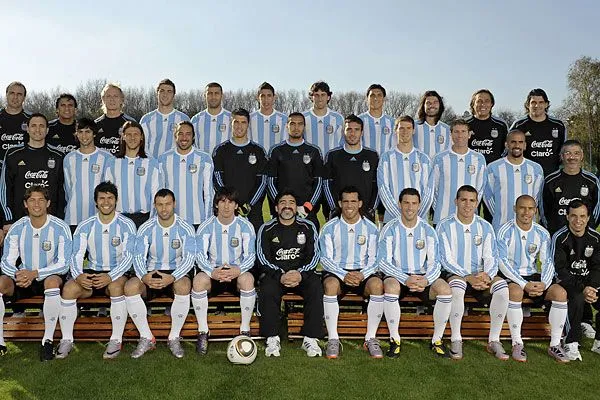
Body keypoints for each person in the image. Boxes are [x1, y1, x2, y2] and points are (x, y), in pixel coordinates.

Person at [56, 182, 136, 360]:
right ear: (96, 202)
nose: (106, 202)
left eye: (110, 198)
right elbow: (75, 255)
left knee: (116, 288)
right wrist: (78, 275)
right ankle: (66, 339)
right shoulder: (86, 225)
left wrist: (110, 276)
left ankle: (116, 339)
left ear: (116, 201)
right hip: (92, 272)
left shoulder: (127, 224)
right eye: (102, 198)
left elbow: (129, 257)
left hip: (116, 272)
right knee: (69, 289)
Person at [378, 188, 453, 358]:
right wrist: (405, 279)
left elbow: (436, 262)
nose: (410, 207)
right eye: (406, 203)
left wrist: (426, 280)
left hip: (422, 278)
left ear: (419, 205)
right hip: (398, 277)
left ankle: (437, 340)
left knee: (445, 290)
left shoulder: (428, 230)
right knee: (389, 286)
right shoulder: (390, 228)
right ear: (399, 204)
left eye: (414, 203)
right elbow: (383, 262)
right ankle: (394, 339)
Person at [437, 185, 509, 360]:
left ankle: (494, 340)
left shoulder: (485, 226)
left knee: (502, 288)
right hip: (456, 274)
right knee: (457, 286)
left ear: (477, 203)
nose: (467, 205)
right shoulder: (444, 225)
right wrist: (468, 277)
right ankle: (456, 338)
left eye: (472, 200)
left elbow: (491, 256)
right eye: (463, 200)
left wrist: (488, 275)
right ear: (456, 201)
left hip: (480, 276)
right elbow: (445, 259)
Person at [0, 185, 72, 360]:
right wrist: (20, 275)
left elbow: (64, 264)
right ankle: (0, 342)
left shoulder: (60, 227)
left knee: (53, 282)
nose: (36, 204)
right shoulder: (18, 227)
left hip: (49, 276)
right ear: (25, 204)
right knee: (1, 283)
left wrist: (35, 273)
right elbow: (6, 261)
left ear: (48, 203)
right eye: (32, 200)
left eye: (41, 200)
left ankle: (47, 341)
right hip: (23, 278)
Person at [497, 195, 569, 362]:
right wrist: (524, 284)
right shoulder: (504, 230)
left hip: (535, 277)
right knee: (514, 291)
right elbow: (502, 263)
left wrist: (544, 283)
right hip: (513, 276)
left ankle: (555, 344)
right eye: (522, 208)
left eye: (530, 208)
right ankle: (517, 343)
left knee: (560, 293)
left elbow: (547, 261)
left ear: (535, 211)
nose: (526, 212)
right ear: (515, 209)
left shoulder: (541, 233)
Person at [126, 188, 196, 359]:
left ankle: (173, 337)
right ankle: (147, 337)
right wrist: (144, 276)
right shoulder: (146, 228)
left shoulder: (185, 227)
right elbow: (138, 256)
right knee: (130, 287)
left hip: (175, 273)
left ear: (174, 205)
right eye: (160, 205)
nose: (164, 209)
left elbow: (190, 258)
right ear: (155, 206)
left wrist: (172, 277)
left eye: (168, 204)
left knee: (184, 285)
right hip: (152, 272)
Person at [257, 189, 322, 357]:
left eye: (291, 203)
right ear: (276, 208)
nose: (287, 206)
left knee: (315, 286)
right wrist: (281, 275)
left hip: (301, 275)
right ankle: (272, 338)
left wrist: (300, 274)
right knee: (267, 288)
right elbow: (262, 258)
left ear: (296, 207)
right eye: (283, 203)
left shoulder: (308, 227)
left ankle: (311, 338)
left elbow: (314, 256)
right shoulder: (266, 228)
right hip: (277, 275)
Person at [320, 186, 382, 358]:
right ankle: (333, 339)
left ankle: (370, 338)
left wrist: (362, 274)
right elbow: (325, 259)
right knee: (330, 285)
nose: (349, 205)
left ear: (360, 203)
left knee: (377, 285)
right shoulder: (329, 228)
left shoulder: (371, 229)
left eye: (353, 201)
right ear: (340, 203)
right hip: (338, 272)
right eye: (345, 201)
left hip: (363, 273)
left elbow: (376, 259)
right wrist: (343, 275)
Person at [193, 187, 256, 355]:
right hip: (215, 273)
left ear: (236, 205)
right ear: (216, 204)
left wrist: (238, 270)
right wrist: (212, 271)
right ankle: (203, 331)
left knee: (248, 279)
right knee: (198, 281)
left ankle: (245, 330)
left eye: (230, 202)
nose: (226, 206)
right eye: (222, 201)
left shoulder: (245, 226)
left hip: (236, 273)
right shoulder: (206, 226)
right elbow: (199, 256)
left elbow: (251, 256)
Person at [551, 200, 600, 361]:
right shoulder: (560, 237)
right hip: (567, 282)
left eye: (582, 216)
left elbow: (597, 267)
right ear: (567, 216)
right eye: (573, 216)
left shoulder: (595, 238)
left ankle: (598, 341)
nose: (578, 220)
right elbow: (560, 269)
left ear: (588, 217)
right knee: (577, 297)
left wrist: (592, 286)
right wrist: (582, 288)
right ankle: (571, 341)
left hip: (589, 283)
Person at [0, 113, 65, 232]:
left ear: (47, 130)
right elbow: (4, 190)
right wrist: (8, 220)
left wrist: (60, 219)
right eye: (34, 126)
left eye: (41, 126)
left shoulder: (58, 156)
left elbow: (63, 191)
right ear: (28, 129)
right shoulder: (13, 154)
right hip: (18, 222)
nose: (38, 129)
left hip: (50, 223)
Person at [212, 108, 268, 233]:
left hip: (252, 211)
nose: (239, 126)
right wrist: (230, 203)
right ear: (231, 124)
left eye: (243, 122)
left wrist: (248, 204)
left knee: (253, 247)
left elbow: (262, 182)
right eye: (236, 122)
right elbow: (217, 179)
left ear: (248, 125)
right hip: (228, 210)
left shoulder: (258, 150)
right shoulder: (221, 150)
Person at [267, 113, 323, 230]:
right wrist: (281, 204)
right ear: (287, 126)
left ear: (304, 127)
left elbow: (319, 183)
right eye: (292, 124)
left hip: (307, 211)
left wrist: (307, 206)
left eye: (300, 124)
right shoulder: (276, 151)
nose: (296, 128)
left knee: (309, 246)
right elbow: (271, 182)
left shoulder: (314, 151)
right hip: (284, 210)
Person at [484, 130, 544, 231]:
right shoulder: (493, 168)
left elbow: (536, 198)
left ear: (525, 145)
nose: (517, 145)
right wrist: (500, 214)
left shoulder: (536, 169)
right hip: (501, 226)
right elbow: (487, 196)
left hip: (527, 227)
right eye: (513, 142)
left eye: (520, 142)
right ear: (506, 145)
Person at [105, 121, 161, 228]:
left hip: (144, 219)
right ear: (123, 137)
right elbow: (108, 193)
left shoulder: (151, 163)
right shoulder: (112, 162)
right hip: (119, 218)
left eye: (136, 134)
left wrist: (152, 221)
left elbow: (156, 193)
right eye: (129, 134)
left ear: (141, 137)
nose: (132, 138)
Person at [158, 121, 213, 228]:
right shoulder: (163, 159)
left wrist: (207, 222)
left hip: (197, 221)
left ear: (193, 137)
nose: (184, 138)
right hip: (171, 220)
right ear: (175, 136)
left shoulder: (204, 158)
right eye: (180, 133)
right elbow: (159, 192)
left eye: (188, 134)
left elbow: (208, 194)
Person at [431, 118, 486, 225]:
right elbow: (434, 188)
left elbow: (480, 188)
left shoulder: (479, 158)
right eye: (456, 132)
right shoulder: (439, 158)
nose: (460, 135)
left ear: (469, 134)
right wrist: (439, 208)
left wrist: (469, 208)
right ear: (451, 134)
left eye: (463, 131)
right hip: (443, 217)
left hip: (468, 218)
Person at [323, 115, 378, 221]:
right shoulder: (332, 155)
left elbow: (377, 185)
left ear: (361, 133)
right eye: (349, 129)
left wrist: (371, 209)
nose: (352, 133)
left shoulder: (372, 156)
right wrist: (334, 207)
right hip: (339, 214)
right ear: (344, 132)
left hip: (365, 214)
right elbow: (326, 185)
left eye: (356, 130)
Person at [377, 115, 432, 221]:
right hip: (393, 219)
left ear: (413, 130)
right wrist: (399, 216)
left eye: (408, 128)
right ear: (395, 130)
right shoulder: (386, 158)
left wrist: (416, 216)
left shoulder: (423, 159)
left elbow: (428, 190)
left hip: (418, 220)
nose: (405, 132)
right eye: (401, 128)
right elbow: (383, 189)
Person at [63, 118, 113, 231]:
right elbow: (68, 189)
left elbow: (111, 188)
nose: (84, 135)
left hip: (99, 217)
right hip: (74, 218)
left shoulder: (107, 158)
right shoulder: (69, 158)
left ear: (94, 134)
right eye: (80, 132)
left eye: (88, 131)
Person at [542, 139, 600, 234]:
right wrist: (552, 230)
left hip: (584, 236)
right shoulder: (550, 180)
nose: (572, 157)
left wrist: (588, 230)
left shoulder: (592, 181)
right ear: (561, 156)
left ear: (582, 156)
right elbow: (544, 211)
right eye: (568, 153)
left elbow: (597, 209)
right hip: (557, 235)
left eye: (576, 153)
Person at [510, 88, 567, 176]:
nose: (537, 106)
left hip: (551, 177)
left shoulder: (558, 125)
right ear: (527, 104)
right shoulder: (519, 125)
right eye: (533, 102)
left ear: (546, 104)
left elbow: (564, 152)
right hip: (524, 176)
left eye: (541, 102)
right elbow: (508, 151)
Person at [140, 78, 190, 159]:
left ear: (174, 95)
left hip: (176, 166)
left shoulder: (184, 119)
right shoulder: (146, 119)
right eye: (162, 91)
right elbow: (142, 146)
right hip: (152, 166)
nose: (165, 94)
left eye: (169, 91)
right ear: (157, 93)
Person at [466, 89, 508, 165]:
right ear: (473, 104)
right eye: (479, 101)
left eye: (487, 101)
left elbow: (507, 149)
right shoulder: (464, 125)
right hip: (470, 168)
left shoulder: (501, 125)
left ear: (492, 104)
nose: (483, 104)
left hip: (493, 170)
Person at [302, 81, 344, 158]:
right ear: (311, 97)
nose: (320, 98)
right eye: (316, 95)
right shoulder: (303, 117)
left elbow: (342, 143)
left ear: (328, 97)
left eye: (323, 95)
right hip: (309, 164)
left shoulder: (338, 118)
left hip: (332, 164)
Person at [94, 83, 136, 156]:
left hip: (122, 165)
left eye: (115, 96)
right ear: (103, 99)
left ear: (121, 100)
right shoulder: (95, 124)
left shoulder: (131, 123)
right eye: (108, 96)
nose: (112, 99)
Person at [190, 82, 232, 155]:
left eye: (216, 93)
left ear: (222, 96)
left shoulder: (231, 118)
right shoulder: (196, 119)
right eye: (209, 93)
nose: (213, 97)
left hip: (226, 165)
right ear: (204, 96)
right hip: (202, 164)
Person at [249, 82, 288, 153]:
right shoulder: (250, 118)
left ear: (274, 97)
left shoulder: (284, 119)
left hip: (277, 162)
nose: (266, 99)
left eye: (269, 96)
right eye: (263, 96)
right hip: (255, 161)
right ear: (258, 98)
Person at [413, 90, 451, 161]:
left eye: (435, 102)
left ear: (440, 105)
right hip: (418, 170)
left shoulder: (447, 129)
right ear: (423, 106)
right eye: (428, 103)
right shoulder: (413, 126)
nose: (432, 105)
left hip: (440, 171)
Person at [358, 84, 395, 156]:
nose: (375, 98)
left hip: (385, 164)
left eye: (379, 95)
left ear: (384, 99)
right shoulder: (359, 120)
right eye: (372, 95)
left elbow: (394, 146)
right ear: (367, 99)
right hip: (364, 163)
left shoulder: (392, 122)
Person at [0, 81, 29, 165]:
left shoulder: (32, 120)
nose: (15, 97)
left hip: (22, 170)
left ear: (24, 98)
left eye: (19, 94)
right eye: (12, 93)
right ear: (6, 95)